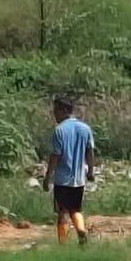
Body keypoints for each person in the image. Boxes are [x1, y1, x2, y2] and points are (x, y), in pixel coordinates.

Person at [42, 96, 96, 246]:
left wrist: (48, 177)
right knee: (76, 209)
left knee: (63, 212)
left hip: (62, 179)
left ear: (64, 111)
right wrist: (90, 171)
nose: (54, 115)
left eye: (56, 111)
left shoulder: (59, 130)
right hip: (79, 180)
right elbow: (90, 152)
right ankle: (81, 230)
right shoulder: (85, 129)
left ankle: (63, 244)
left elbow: (55, 156)